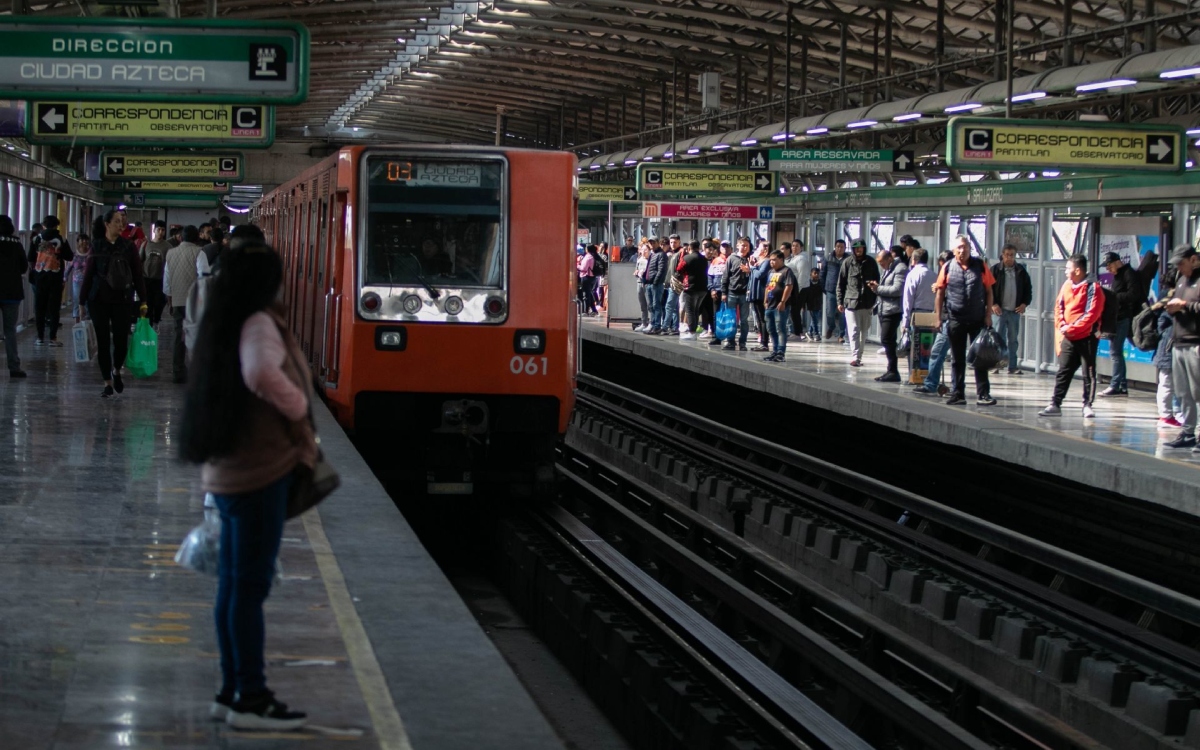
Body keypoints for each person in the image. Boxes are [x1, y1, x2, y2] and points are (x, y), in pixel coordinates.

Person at [178, 241, 312, 731]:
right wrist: (298, 407)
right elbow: (260, 372)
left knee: (233, 587)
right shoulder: (257, 322)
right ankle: (250, 698)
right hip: (258, 474)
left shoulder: (223, 318)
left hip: (228, 473)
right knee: (248, 589)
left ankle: (230, 689)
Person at [79, 209, 148, 399]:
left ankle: (117, 370)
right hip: (98, 300)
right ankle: (107, 382)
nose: (121, 224)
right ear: (107, 224)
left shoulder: (129, 247)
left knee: (120, 342)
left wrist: (143, 300)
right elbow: (88, 275)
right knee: (102, 342)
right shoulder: (97, 246)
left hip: (122, 300)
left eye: (122, 221)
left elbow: (137, 275)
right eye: (117, 221)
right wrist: (81, 302)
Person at [1038, 254, 1105, 418]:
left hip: (1086, 337)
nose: (1066, 271)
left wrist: (1073, 328)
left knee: (1088, 371)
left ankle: (1087, 405)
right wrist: (1062, 326)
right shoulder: (1067, 285)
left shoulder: (1093, 288)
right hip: (1069, 336)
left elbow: (1092, 314)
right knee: (1064, 370)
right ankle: (1055, 403)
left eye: (1068, 268)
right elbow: (1059, 306)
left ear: (1078, 270)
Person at [933, 235, 996, 406]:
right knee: (957, 358)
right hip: (956, 319)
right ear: (954, 251)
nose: (963, 250)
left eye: (965, 246)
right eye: (959, 247)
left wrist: (988, 315)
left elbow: (989, 291)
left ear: (970, 248)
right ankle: (958, 393)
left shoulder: (981, 266)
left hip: (977, 319)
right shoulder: (947, 267)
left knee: (980, 358)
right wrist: (938, 318)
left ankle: (983, 394)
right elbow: (940, 293)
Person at [1164, 244, 1200, 450]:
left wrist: (1185, 305)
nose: (1179, 268)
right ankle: (1188, 432)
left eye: (1182, 263)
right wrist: (1171, 308)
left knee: (1198, 392)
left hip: (1196, 343)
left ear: (1193, 260)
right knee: (1183, 391)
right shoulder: (1181, 280)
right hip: (1179, 342)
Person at [164, 226, 205, 383]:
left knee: (178, 336)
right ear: (196, 239)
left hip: (177, 301)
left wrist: (170, 299)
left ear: (181, 238)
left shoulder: (171, 253)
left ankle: (177, 370)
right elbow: (204, 277)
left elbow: (166, 280)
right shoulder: (199, 253)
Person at [1099, 250, 1142, 396]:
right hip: (1116, 317)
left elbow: (1134, 294)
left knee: (1116, 352)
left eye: (1109, 265)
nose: (1108, 269)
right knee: (1116, 352)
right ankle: (1122, 386)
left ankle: (1115, 385)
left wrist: (1114, 296)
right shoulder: (1118, 275)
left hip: (1123, 318)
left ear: (1117, 262)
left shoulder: (1128, 274)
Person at [913, 251, 954, 396]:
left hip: (950, 319)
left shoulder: (952, 274)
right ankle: (955, 387)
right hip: (949, 318)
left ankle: (931, 384)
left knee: (937, 352)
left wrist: (940, 288)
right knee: (955, 354)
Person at [28, 215, 72, 347]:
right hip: (55, 276)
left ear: (44, 225)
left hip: (40, 276)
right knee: (54, 308)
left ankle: (40, 337)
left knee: (39, 307)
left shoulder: (36, 239)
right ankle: (52, 337)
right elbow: (69, 256)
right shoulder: (61, 238)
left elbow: (30, 257)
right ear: (56, 225)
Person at [989, 244, 1032, 375]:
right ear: (1002, 255)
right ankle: (997, 364)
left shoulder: (1021, 271)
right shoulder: (995, 270)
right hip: (999, 312)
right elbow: (988, 289)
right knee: (998, 339)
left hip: (1014, 311)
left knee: (1013, 340)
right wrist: (993, 304)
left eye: (1012, 255)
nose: (1009, 258)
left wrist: (1025, 303)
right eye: (1007, 255)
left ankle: (1012, 366)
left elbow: (1028, 290)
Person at [837, 238, 879, 367]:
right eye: (856, 248)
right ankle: (855, 357)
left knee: (863, 331)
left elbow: (877, 281)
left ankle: (859, 355)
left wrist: (874, 300)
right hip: (851, 302)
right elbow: (841, 283)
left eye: (860, 247)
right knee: (854, 330)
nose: (858, 250)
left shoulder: (871, 262)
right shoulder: (847, 263)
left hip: (867, 303)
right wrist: (840, 301)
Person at [870, 245, 908, 382]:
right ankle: (891, 370)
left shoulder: (900, 269)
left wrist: (878, 288)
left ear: (890, 259)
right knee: (887, 339)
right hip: (884, 308)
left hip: (893, 309)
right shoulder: (888, 269)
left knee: (886, 338)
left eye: (883, 263)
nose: (881, 266)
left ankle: (893, 370)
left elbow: (898, 290)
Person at [0, 215, 27, 378]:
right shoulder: (17, 244)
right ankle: (14, 367)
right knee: (10, 331)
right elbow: (24, 267)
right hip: (12, 293)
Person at [761, 250, 796, 362]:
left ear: (781, 259)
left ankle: (781, 352)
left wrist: (783, 301)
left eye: (774, 260)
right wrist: (765, 300)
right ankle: (775, 351)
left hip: (779, 306)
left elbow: (789, 286)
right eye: (770, 260)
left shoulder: (787, 271)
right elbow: (768, 287)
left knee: (780, 328)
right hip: (769, 305)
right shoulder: (770, 272)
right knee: (770, 329)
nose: (772, 262)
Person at [721, 237, 752, 351]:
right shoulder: (731, 258)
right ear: (738, 246)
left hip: (745, 294)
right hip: (732, 292)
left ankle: (742, 342)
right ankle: (730, 342)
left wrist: (750, 270)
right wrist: (724, 292)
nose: (744, 248)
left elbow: (756, 276)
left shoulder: (751, 259)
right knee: (731, 319)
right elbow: (725, 276)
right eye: (742, 245)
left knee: (744, 320)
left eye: (746, 246)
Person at [141, 220, 170, 327]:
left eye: (163, 230)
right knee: (147, 304)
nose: (161, 232)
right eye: (159, 229)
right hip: (147, 278)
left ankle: (156, 320)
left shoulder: (168, 246)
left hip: (160, 279)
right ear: (154, 230)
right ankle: (148, 326)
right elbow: (140, 260)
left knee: (159, 303)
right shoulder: (146, 244)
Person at [677, 240, 708, 340]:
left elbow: (679, 269)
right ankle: (693, 330)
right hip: (703, 288)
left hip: (690, 287)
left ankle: (692, 332)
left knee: (689, 310)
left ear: (689, 248)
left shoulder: (687, 258)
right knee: (695, 310)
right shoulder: (704, 259)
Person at [820, 239, 847, 341]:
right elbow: (822, 273)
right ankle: (831, 327)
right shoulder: (828, 258)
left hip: (844, 290)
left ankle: (841, 334)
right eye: (838, 246)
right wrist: (823, 287)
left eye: (842, 247)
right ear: (835, 247)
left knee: (842, 313)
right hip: (830, 289)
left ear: (845, 248)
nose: (839, 249)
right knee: (829, 312)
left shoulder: (848, 259)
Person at [748, 241, 772, 351]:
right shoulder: (759, 262)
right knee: (759, 318)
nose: (757, 249)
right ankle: (762, 341)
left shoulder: (766, 262)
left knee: (763, 319)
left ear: (765, 250)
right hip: (754, 292)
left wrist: (752, 267)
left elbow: (760, 275)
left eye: (760, 248)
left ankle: (764, 343)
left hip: (761, 294)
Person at [65, 233, 91, 323]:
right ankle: (77, 321)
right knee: (77, 300)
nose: (84, 242)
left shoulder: (91, 254)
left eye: (86, 240)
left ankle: (88, 321)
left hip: (89, 281)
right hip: (77, 282)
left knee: (88, 301)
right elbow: (68, 268)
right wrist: (64, 278)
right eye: (82, 240)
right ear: (78, 242)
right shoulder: (74, 255)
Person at [645, 238, 667, 335]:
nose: (652, 245)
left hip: (656, 284)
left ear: (658, 243)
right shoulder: (652, 254)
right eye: (650, 243)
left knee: (656, 305)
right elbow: (649, 268)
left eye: (654, 242)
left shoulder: (661, 254)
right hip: (650, 283)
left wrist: (655, 281)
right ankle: (653, 324)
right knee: (651, 306)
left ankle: (657, 326)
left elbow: (661, 270)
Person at [663, 235, 683, 334]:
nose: (672, 244)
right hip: (671, 282)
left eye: (675, 242)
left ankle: (665, 326)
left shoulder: (680, 253)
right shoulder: (672, 253)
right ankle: (675, 327)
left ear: (679, 242)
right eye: (671, 242)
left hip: (675, 283)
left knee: (669, 305)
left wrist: (675, 278)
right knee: (674, 307)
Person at [634, 242, 651, 332]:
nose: (644, 252)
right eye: (642, 250)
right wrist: (636, 273)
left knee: (650, 304)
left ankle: (652, 323)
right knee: (642, 304)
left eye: (646, 250)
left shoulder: (651, 260)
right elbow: (636, 269)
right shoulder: (639, 259)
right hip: (639, 282)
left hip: (648, 284)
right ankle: (644, 322)